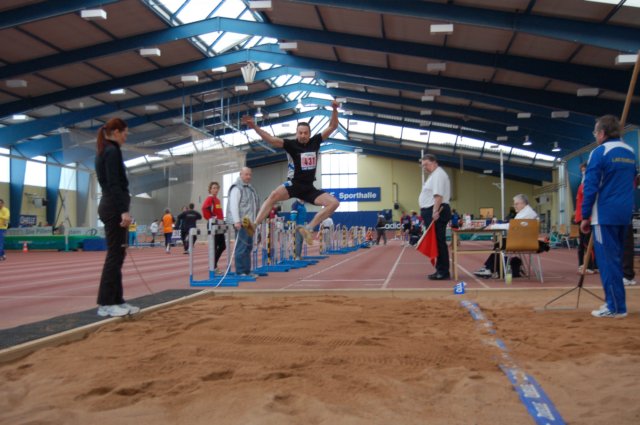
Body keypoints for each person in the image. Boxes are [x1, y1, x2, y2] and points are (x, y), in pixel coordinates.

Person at [241, 100, 340, 245]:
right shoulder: (291, 144)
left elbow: (333, 126)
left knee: (334, 203)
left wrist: (334, 109)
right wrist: (255, 127)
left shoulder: (316, 141)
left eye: (306, 133)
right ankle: (254, 226)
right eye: (300, 133)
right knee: (273, 196)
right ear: (296, 133)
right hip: (294, 184)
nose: (303, 135)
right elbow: (271, 140)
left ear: (310, 134)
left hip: (309, 188)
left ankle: (309, 228)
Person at [581, 115, 636, 318]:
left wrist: (585, 215)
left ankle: (615, 306)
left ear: (602, 133)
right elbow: (633, 180)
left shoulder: (599, 152)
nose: (595, 136)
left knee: (607, 261)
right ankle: (617, 303)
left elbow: (590, 186)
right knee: (616, 259)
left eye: (595, 132)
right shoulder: (630, 152)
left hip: (604, 215)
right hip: (625, 213)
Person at [94, 118, 139, 317]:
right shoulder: (111, 151)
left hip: (111, 206)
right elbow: (114, 184)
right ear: (116, 132)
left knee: (118, 255)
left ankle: (117, 300)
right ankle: (105, 303)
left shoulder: (106, 150)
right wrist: (123, 211)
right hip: (113, 208)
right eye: (125, 133)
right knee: (114, 255)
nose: (126, 137)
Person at [474, 194, 538, 278]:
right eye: (514, 204)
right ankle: (489, 268)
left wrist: (493, 226)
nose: (514, 206)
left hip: (522, 243)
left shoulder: (526, 213)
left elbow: (511, 226)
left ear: (523, 203)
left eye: (516, 204)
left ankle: (489, 269)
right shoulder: (528, 212)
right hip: (531, 243)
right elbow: (513, 226)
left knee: (500, 244)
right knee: (501, 243)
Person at [419, 154, 452, 280]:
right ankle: (440, 269)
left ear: (434, 162)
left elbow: (438, 196)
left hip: (437, 210)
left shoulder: (438, 174)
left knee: (439, 241)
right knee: (437, 241)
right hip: (434, 210)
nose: (425, 168)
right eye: (423, 166)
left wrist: (435, 211)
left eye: (426, 164)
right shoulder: (434, 175)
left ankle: (443, 271)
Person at [226, 167, 260, 276]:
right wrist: (236, 221)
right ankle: (240, 271)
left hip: (250, 222)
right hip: (242, 222)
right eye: (246, 174)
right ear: (241, 174)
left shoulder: (251, 189)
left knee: (248, 247)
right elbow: (233, 205)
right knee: (241, 246)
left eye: (250, 174)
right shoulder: (236, 188)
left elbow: (254, 206)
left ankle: (247, 270)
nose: (248, 176)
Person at [574, 162, 596, 274]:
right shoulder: (582, 184)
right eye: (582, 171)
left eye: (585, 170)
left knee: (587, 243)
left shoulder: (589, 183)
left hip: (587, 218)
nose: (583, 173)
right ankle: (584, 265)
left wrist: (585, 217)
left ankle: (590, 266)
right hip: (580, 218)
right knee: (582, 244)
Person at [202, 181, 226, 272]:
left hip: (219, 224)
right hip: (213, 224)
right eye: (214, 188)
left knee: (222, 246)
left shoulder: (217, 200)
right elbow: (204, 208)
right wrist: (211, 218)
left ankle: (213, 265)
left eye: (217, 188)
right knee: (215, 246)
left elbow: (218, 212)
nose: (216, 190)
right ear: (210, 189)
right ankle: (213, 267)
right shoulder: (210, 199)